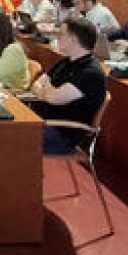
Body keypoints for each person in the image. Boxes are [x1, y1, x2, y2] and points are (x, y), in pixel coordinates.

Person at [29, 17, 107, 154]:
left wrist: (47, 89)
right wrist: (49, 91)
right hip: (41, 120)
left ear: (74, 39)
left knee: (5, 134)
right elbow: (35, 85)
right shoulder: (65, 61)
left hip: (60, 133)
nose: (57, 37)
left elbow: (53, 98)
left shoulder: (91, 73)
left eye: (61, 34)